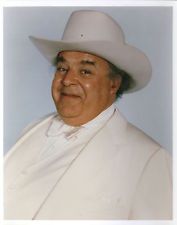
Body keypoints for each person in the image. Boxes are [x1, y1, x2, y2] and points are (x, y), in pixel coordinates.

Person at [4, 10, 172, 220]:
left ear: (114, 83)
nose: (67, 80)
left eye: (85, 71)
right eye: (62, 68)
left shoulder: (150, 159)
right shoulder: (31, 129)